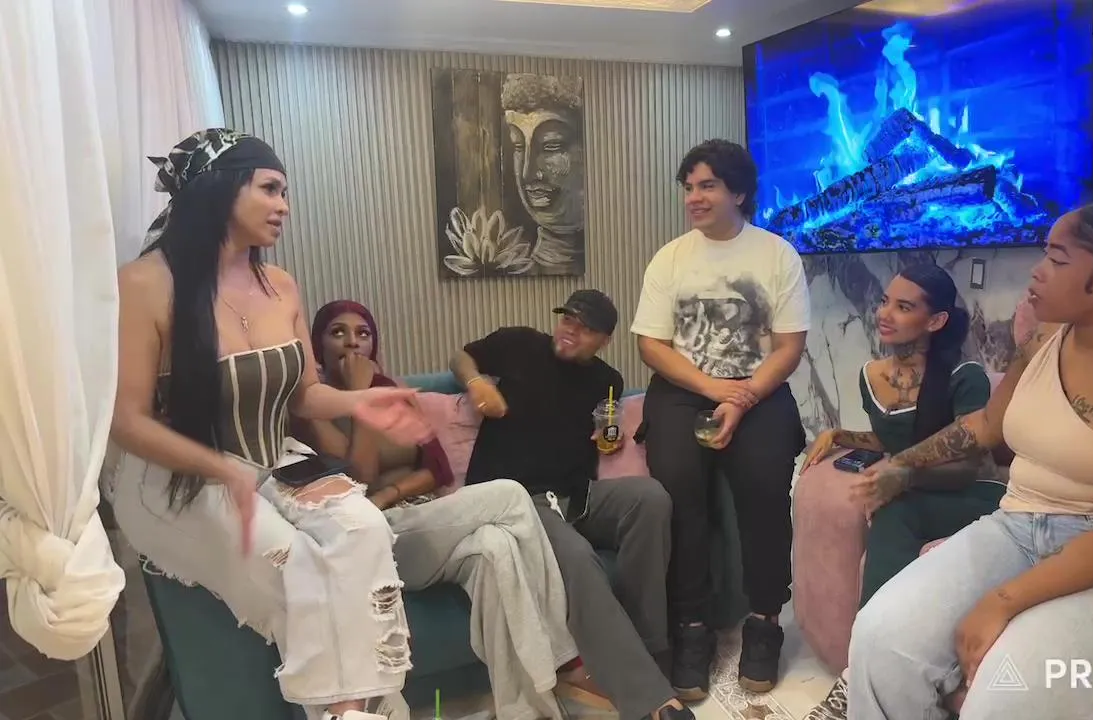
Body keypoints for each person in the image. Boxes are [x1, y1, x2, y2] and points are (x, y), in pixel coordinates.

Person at [846, 198, 1093, 719]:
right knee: (880, 637)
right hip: (1019, 526)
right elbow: (986, 423)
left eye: (1058, 260)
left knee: (1010, 690)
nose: (1037, 271)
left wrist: (1002, 601)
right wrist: (900, 463)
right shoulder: (1045, 337)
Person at [106, 129, 433, 720]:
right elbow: (125, 422)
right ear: (220, 189)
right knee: (298, 565)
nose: (284, 205)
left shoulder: (280, 284)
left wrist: (360, 403)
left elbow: (305, 394)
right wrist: (219, 467)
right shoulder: (144, 283)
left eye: (284, 192)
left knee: (363, 528)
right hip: (177, 475)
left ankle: (350, 711)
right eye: (270, 189)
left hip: (270, 460)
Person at [295, 299, 598, 720]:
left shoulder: (391, 390)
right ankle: (564, 655)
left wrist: (390, 490)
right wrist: (361, 401)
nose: (352, 343)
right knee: (510, 496)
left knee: (496, 547)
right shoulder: (310, 409)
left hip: (422, 519)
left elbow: (435, 468)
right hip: (376, 539)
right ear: (318, 343)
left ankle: (526, 709)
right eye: (338, 332)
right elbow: (359, 478)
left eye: (363, 333)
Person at [450, 290, 694, 720]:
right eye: (568, 319)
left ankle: (648, 648)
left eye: (585, 328)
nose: (571, 331)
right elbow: (460, 357)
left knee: (651, 498)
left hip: (576, 494)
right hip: (515, 500)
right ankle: (650, 700)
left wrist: (608, 438)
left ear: (604, 340)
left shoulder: (608, 380)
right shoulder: (518, 343)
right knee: (579, 557)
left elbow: (603, 431)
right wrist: (476, 383)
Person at [631, 139, 809, 698]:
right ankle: (692, 628)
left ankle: (765, 621)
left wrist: (741, 398)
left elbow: (789, 346)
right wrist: (712, 389)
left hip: (759, 390)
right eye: (688, 187)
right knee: (678, 493)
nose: (694, 197)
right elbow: (651, 345)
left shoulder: (777, 255)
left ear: (739, 192)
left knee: (765, 489)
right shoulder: (670, 258)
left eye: (707, 185)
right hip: (684, 391)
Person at [796, 264, 1005, 720]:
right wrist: (842, 435)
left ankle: (856, 676)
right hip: (920, 494)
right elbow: (898, 440)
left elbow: (967, 466)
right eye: (885, 301)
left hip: (977, 495)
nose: (884, 313)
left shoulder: (963, 375)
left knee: (895, 508)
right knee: (894, 508)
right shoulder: (872, 375)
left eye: (904, 307)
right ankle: (866, 671)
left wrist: (903, 476)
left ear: (936, 321)